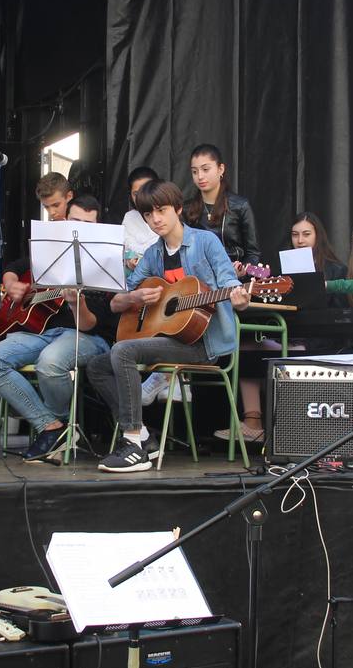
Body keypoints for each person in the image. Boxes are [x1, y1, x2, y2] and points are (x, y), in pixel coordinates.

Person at [87, 180, 249, 472]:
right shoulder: (152, 255)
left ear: (178, 208)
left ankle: (133, 443)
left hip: (202, 344)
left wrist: (239, 298)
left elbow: (229, 282)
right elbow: (116, 303)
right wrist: (134, 297)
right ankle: (145, 436)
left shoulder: (205, 242)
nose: (155, 219)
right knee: (96, 366)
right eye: (148, 215)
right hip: (169, 338)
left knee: (122, 351)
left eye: (161, 210)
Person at [0, 194, 115, 462]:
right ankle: (51, 427)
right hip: (43, 332)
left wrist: (77, 304)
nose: (79, 230)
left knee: (50, 362)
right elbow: (14, 268)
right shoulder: (53, 250)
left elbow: (90, 325)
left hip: (88, 337)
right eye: (75, 221)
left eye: (88, 225)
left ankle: (57, 425)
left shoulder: (105, 261)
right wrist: (10, 284)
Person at [216, 211, 351, 443]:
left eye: (307, 234)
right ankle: (253, 423)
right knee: (246, 349)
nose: (300, 240)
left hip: (320, 342)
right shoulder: (282, 271)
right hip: (288, 336)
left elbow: (339, 317)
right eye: (295, 234)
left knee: (290, 356)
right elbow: (267, 299)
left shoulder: (335, 270)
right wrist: (240, 278)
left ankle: (292, 427)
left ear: (318, 237)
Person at [182, 143, 260, 275]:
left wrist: (243, 271)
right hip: (200, 282)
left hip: (234, 282)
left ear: (221, 169)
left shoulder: (240, 206)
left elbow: (253, 253)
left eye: (205, 169)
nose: (200, 176)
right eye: (194, 171)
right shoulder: (187, 209)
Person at [121, 166, 160, 270]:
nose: (141, 197)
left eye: (146, 191)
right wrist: (129, 261)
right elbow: (124, 251)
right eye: (136, 194)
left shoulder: (167, 214)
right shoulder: (129, 218)